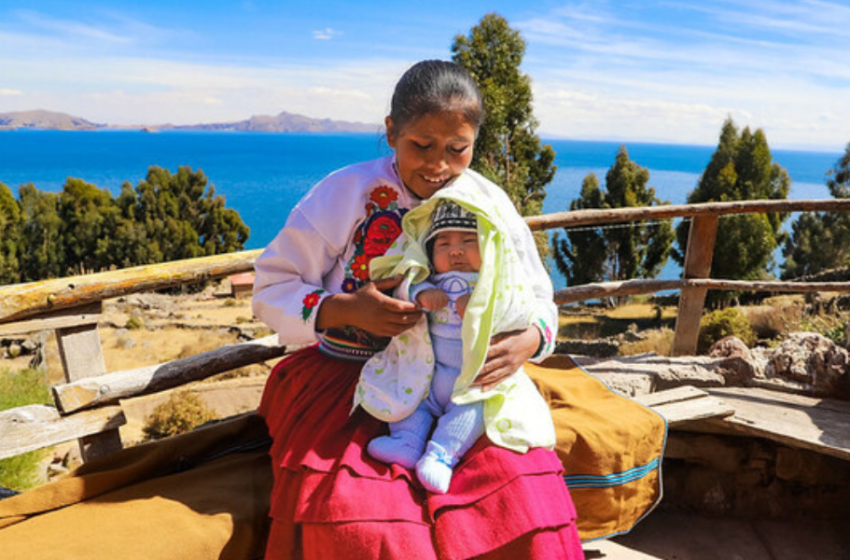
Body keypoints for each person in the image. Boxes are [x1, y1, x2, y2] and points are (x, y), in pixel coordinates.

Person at [253, 59, 585, 559]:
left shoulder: (489, 205)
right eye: (421, 146)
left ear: (476, 143)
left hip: (465, 385)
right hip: (349, 377)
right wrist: (346, 309)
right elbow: (272, 285)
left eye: (457, 150)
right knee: (366, 527)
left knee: (521, 498)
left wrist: (530, 340)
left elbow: (539, 297)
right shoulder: (344, 194)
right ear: (391, 132)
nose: (438, 165)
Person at [362, 198, 557, 495]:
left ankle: (441, 455)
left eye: (469, 240)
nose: (456, 250)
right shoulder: (429, 277)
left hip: (471, 380)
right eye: (443, 244)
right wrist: (422, 293)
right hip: (426, 374)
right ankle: (407, 443)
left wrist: (484, 305)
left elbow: (521, 309)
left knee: (474, 411)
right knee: (411, 401)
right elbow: (406, 285)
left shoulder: (496, 283)